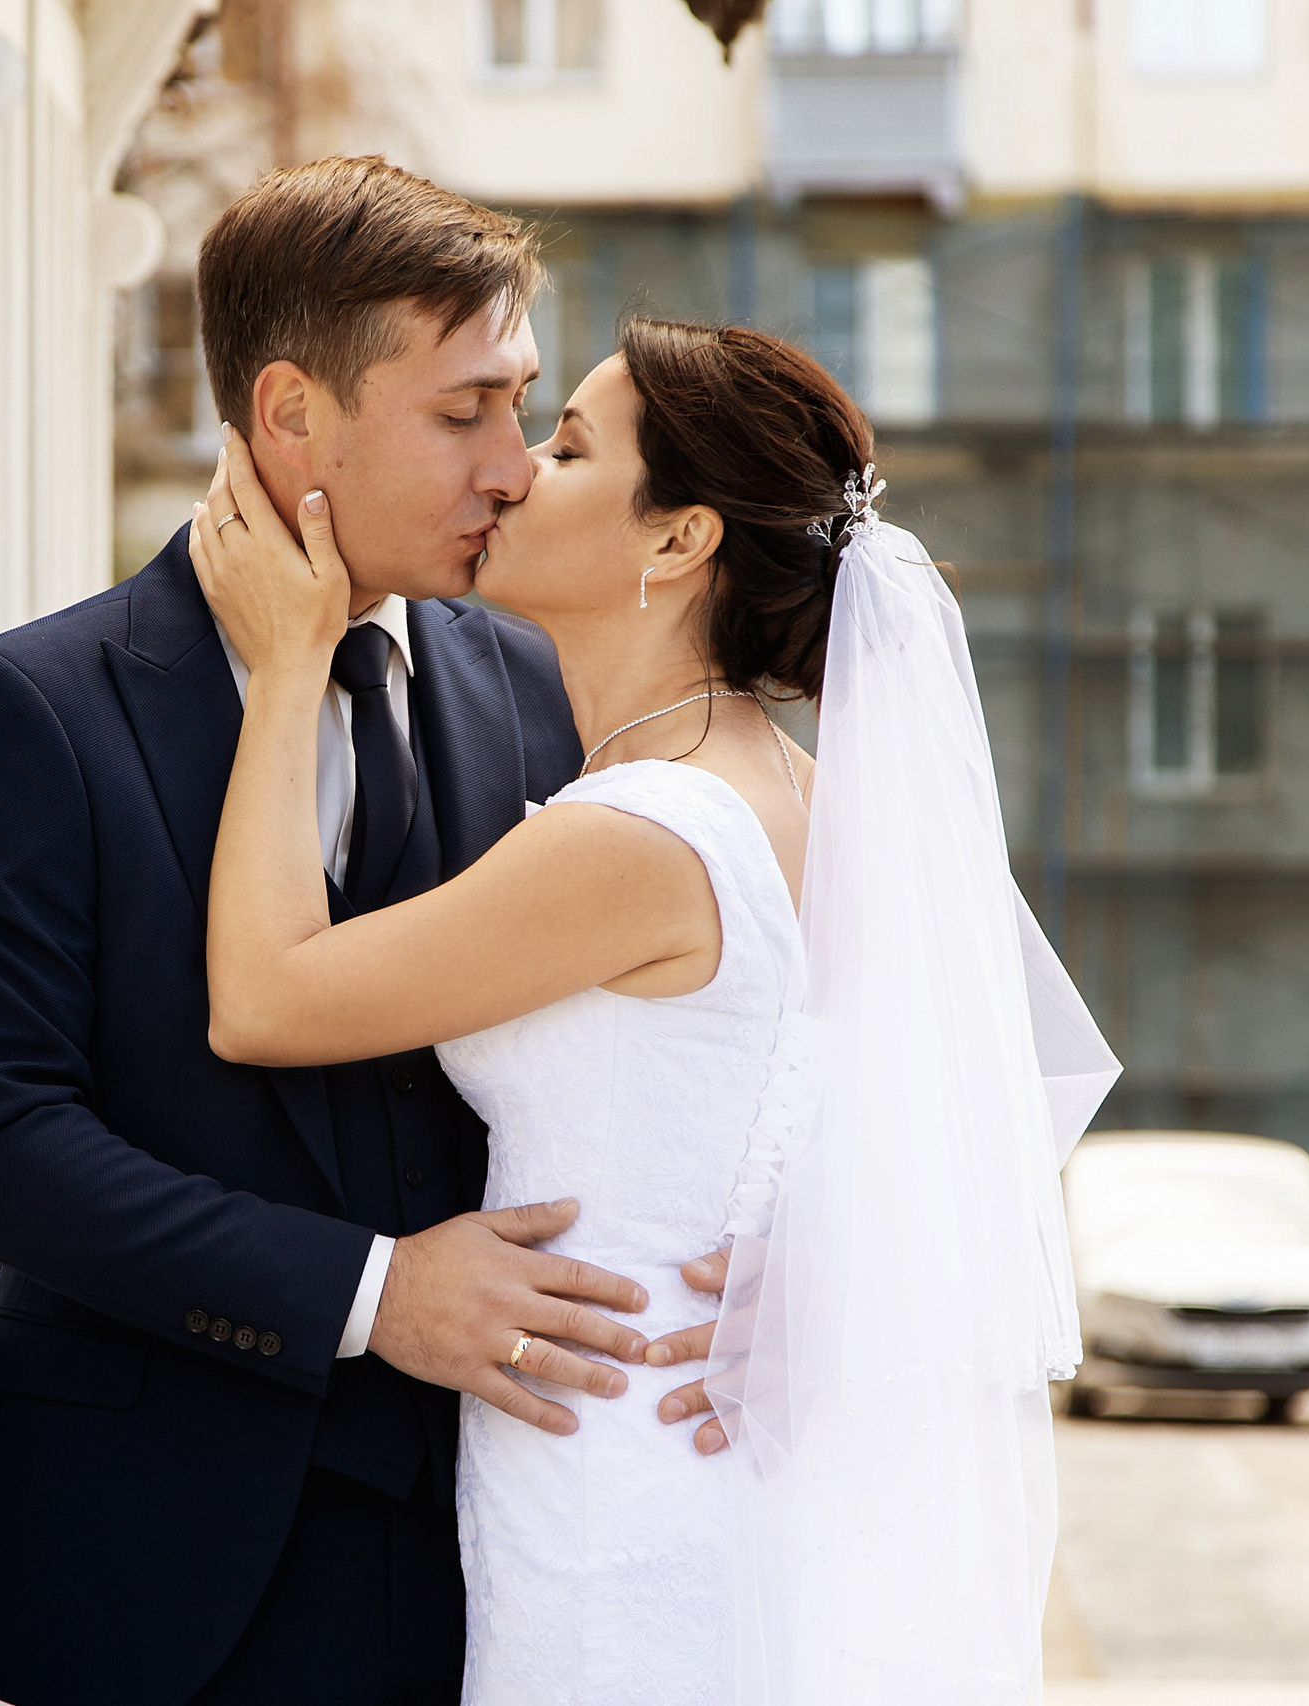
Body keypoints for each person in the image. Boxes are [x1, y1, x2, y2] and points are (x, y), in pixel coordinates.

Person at [189, 316, 1120, 1703]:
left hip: (617, 1503)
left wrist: (282, 668)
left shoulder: (638, 834)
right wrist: (808, 1289)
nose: (510, 472)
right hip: (706, 1466)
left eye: (565, 446)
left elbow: (264, 999)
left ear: (678, 540)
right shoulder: (813, 801)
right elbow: (953, 1131)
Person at [0, 158, 726, 1706]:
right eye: (463, 410)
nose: (513, 467)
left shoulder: (543, 691)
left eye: (525, 403)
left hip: (506, 1546)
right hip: (152, 1571)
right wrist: (368, 1289)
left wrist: (760, 1264)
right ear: (291, 416)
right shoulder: (29, 712)